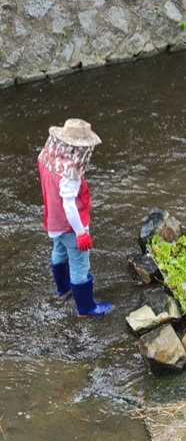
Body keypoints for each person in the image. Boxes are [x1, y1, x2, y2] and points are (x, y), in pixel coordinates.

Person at [37, 118, 114, 317]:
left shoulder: (47, 156)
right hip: (71, 226)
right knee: (80, 265)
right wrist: (81, 233)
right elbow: (69, 205)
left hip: (53, 222)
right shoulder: (70, 172)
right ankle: (86, 308)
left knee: (59, 252)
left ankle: (62, 290)